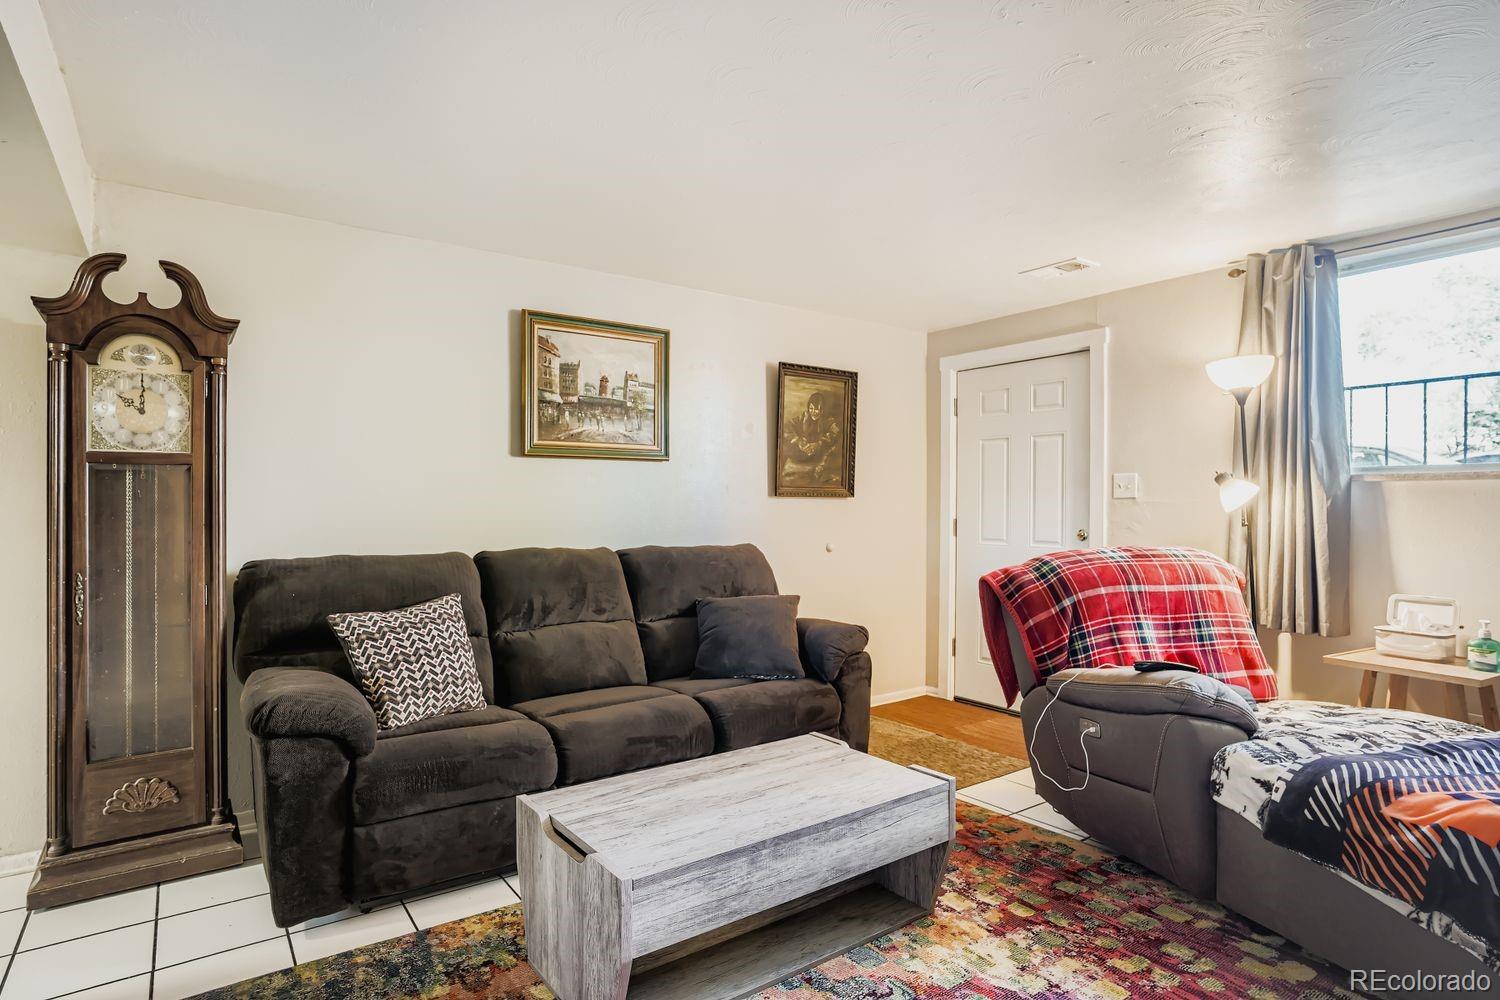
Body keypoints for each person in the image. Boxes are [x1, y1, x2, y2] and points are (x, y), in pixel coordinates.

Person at [783, 391, 842, 484]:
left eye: (817, 409)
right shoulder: (803, 417)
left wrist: (818, 443)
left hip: (819, 454)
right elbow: (787, 427)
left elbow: (834, 434)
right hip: (804, 451)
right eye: (811, 408)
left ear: (822, 409)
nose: (813, 412)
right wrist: (798, 441)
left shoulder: (828, 421)